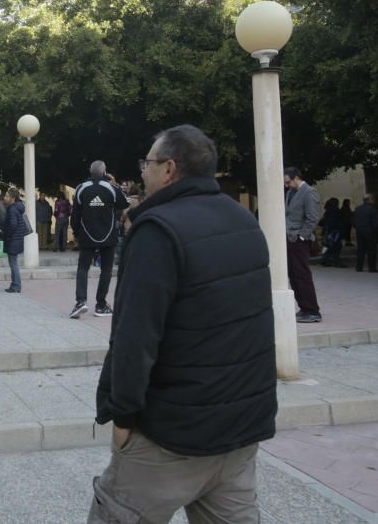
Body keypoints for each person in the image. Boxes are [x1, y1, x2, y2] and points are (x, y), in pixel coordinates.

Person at [90, 124, 276, 524]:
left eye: (149, 162)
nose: (144, 170)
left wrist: (123, 418)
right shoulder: (244, 220)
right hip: (240, 429)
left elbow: (134, 337)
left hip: (173, 437)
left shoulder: (158, 230)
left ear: (170, 168)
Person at [69, 161, 128, 319]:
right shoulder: (110, 188)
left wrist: (76, 232)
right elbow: (124, 203)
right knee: (106, 270)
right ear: (105, 172)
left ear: (90, 171)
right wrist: (114, 184)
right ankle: (101, 305)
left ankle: (80, 302)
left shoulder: (81, 187)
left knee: (83, 268)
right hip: (109, 235)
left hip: (87, 234)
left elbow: (75, 214)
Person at [284, 167, 322, 323]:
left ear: (296, 178)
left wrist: (301, 236)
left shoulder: (309, 192)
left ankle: (312, 310)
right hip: (289, 238)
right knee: (293, 275)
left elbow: (313, 218)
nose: (286, 185)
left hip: (300, 240)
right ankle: (303, 307)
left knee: (302, 274)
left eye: (288, 181)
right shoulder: (290, 193)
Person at [2, 188, 26, 292]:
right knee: (14, 262)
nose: (5, 198)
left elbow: (13, 224)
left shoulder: (12, 209)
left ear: (13, 198)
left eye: (7, 196)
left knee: (13, 263)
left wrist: (7, 235)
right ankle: (15, 284)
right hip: (17, 239)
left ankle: (16, 285)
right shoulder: (17, 208)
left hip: (13, 239)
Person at [353, 194, 378, 273]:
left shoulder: (358, 209)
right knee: (372, 250)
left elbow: (354, 221)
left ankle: (359, 267)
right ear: (370, 200)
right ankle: (372, 267)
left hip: (360, 232)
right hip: (371, 232)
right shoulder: (373, 209)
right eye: (373, 199)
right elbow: (376, 223)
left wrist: (358, 228)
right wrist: (377, 230)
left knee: (360, 250)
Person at [318, 197, 346, 268]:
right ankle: (336, 262)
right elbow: (339, 222)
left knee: (329, 246)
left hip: (327, 232)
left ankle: (325, 260)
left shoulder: (327, 211)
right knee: (336, 247)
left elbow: (321, 222)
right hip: (335, 232)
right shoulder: (336, 211)